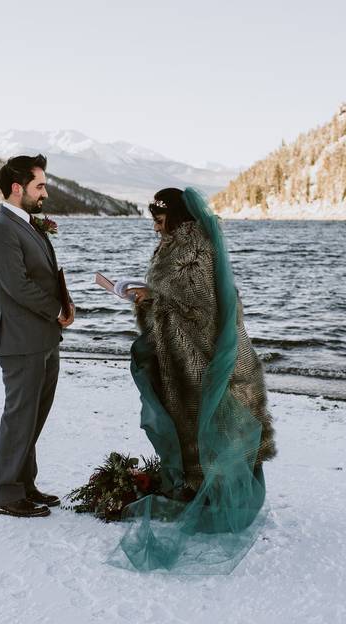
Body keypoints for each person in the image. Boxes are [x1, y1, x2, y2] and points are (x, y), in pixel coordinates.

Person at [109, 187, 275, 573]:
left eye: (159, 216)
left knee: (207, 423)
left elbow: (199, 307)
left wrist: (149, 297)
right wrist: (147, 298)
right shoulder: (177, 245)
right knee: (189, 424)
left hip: (196, 358)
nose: (154, 223)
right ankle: (199, 490)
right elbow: (176, 299)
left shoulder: (193, 250)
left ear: (177, 217)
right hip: (180, 356)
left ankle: (214, 499)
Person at [0, 154, 75, 518]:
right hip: (20, 340)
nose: (45, 193)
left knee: (34, 416)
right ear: (17, 188)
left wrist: (64, 304)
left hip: (44, 338)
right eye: (40, 186)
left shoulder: (27, 225)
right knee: (19, 416)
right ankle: (6, 495)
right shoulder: (0, 229)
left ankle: (25, 484)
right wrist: (56, 310)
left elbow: (42, 277)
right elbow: (17, 286)